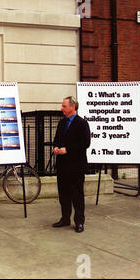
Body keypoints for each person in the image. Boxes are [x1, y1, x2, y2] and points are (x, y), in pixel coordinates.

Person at [52, 95, 91, 233]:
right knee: (63, 194)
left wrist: (67, 149)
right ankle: (65, 218)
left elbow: (85, 143)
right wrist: (55, 147)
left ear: (72, 107)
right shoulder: (62, 123)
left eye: (64, 106)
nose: (61, 108)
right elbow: (56, 139)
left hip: (75, 166)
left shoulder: (82, 123)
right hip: (62, 166)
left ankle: (79, 221)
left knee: (77, 195)